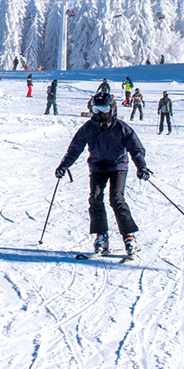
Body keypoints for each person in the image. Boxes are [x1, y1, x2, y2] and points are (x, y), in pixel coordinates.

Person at [55, 92, 150, 258]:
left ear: (112, 109)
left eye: (104, 108)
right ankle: (101, 236)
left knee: (116, 198)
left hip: (117, 166)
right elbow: (75, 148)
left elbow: (136, 148)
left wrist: (141, 166)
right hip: (98, 166)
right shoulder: (88, 128)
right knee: (95, 198)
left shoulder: (121, 128)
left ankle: (129, 236)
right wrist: (64, 165)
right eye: (96, 109)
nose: (100, 113)